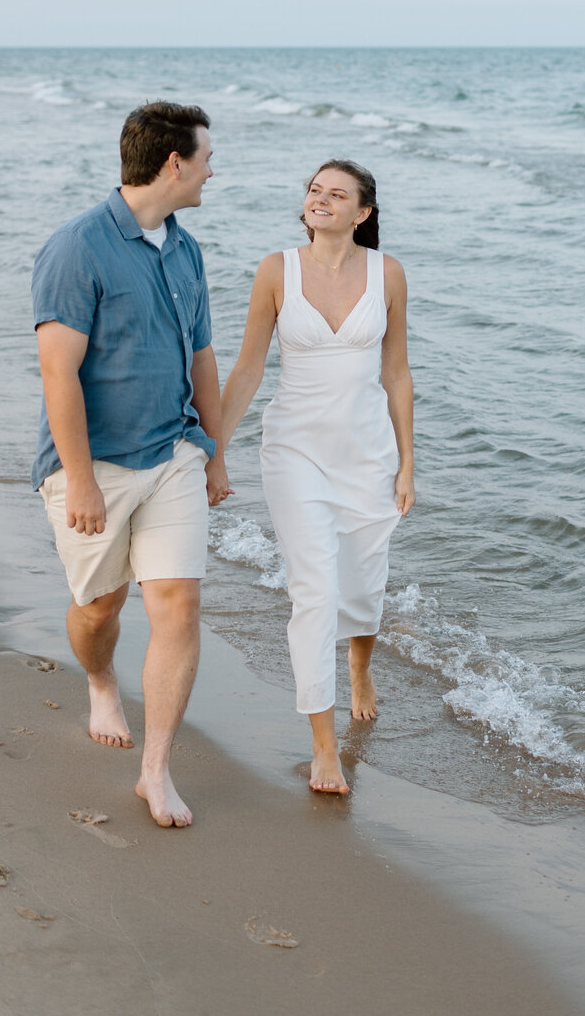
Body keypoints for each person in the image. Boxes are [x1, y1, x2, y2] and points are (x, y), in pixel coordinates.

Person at [31, 101, 232, 828]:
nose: (215, 170)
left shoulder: (187, 249)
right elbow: (60, 375)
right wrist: (79, 476)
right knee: (99, 609)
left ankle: (155, 770)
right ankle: (100, 678)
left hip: (174, 451)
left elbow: (203, 358)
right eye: (208, 157)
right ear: (174, 164)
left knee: (177, 601)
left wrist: (212, 453)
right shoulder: (76, 247)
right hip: (95, 464)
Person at [219, 160, 415, 795]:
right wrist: (214, 450)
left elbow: (396, 374)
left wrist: (409, 463)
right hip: (294, 450)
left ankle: (361, 668)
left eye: (337, 195)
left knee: (363, 586)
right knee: (314, 594)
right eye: (314, 191)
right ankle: (323, 747)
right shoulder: (277, 270)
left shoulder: (389, 274)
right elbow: (249, 368)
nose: (321, 200)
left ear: (362, 212)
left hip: (368, 454)